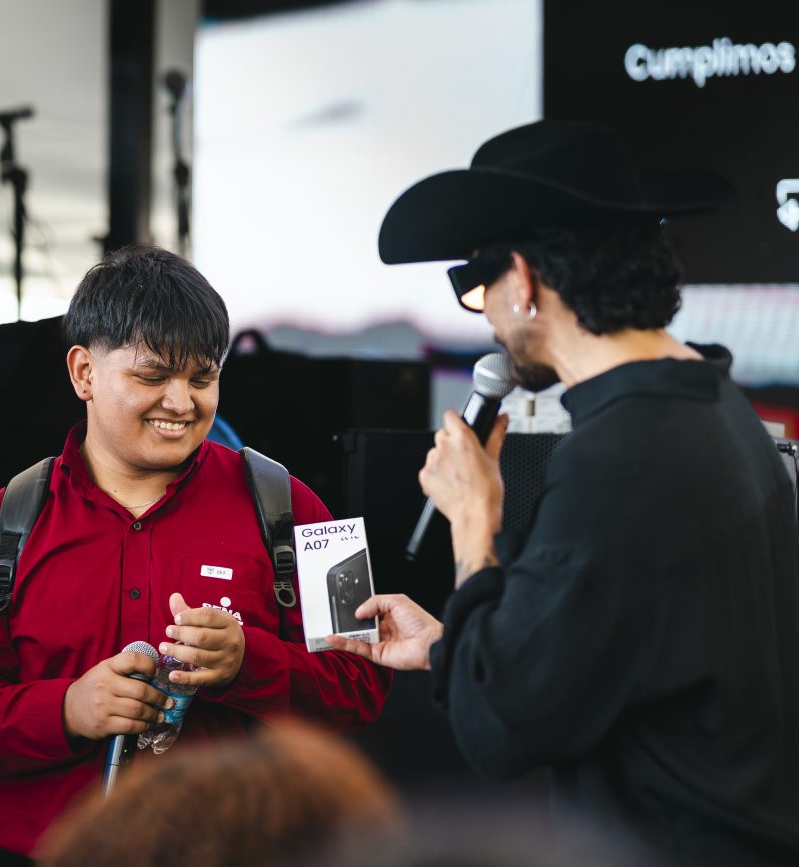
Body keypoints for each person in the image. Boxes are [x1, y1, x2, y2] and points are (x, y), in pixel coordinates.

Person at [327, 119, 799, 865]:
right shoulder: (713, 405)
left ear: (522, 280)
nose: (483, 310)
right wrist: (450, 646)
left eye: (478, 284)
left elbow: (502, 728)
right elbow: (597, 658)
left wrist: (474, 523)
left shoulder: (622, 457)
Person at [0, 245, 391, 860]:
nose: (183, 404)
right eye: (154, 376)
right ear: (83, 372)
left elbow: (365, 684)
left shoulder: (295, 506)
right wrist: (67, 709)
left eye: (203, 378)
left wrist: (249, 662)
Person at [33, 715, 401, 867]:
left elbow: (351, 679)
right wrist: (66, 709)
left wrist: (247, 660)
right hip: (59, 838)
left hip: (254, 821)